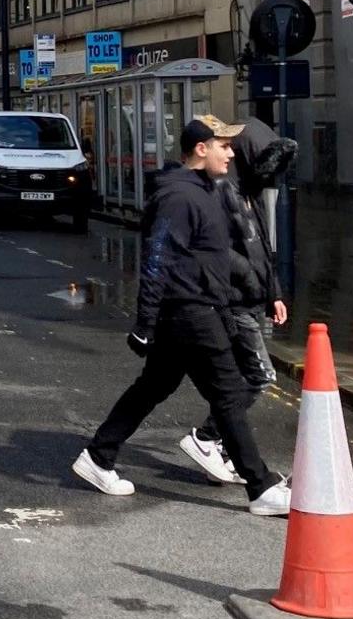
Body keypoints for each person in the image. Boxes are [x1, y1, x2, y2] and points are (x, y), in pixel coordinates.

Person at [72, 117, 291, 515]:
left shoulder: (206, 191)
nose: (230, 153)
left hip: (197, 308)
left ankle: (98, 456)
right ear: (201, 149)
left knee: (152, 387)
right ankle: (260, 488)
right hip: (190, 311)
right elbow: (157, 260)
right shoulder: (181, 197)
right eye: (223, 145)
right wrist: (144, 323)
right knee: (227, 394)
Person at [181, 117, 294, 485]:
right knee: (259, 375)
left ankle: (221, 444)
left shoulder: (247, 189)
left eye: (232, 147)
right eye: (224, 147)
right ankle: (207, 437)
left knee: (239, 378)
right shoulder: (223, 191)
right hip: (232, 301)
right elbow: (223, 254)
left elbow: (261, 246)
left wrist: (272, 292)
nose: (228, 153)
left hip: (248, 299)